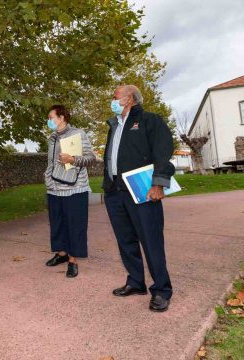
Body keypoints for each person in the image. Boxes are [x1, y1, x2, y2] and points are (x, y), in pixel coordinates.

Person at [103, 84, 175, 312]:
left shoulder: (150, 120)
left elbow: (163, 151)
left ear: (130, 98)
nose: (112, 100)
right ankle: (136, 282)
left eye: (115, 96)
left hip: (142, 190)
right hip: (115, 191)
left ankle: (162, 290)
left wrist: (158, 183)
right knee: (125, 241)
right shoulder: (113, 125)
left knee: (151, 241)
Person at [44, 105, 96, 278]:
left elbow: (91, 158)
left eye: (51, 117)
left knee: (75, 224)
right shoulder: (51, 138)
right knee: (57, 224)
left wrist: (73, 159)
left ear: (61, 117)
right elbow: (51, 163)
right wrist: (47, 179)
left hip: (75, 188)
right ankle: (62, 254)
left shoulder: (78, 134)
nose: (49, 121)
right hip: (54, 189)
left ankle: (73, 260)